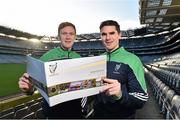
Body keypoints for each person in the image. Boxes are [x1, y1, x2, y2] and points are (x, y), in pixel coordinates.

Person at [18, 22, 83, 118]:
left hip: (75, 111)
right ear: (58, 37)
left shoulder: (79, 58)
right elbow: (33, 86)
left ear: (75, 37)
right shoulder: (47, 57)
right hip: (53, 112)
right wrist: (28, 88)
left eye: (71, 34)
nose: (68, 37)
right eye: (64, 33)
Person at [92, 20, 149, 118]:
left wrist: (120, 95)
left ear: (119, 35)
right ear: (101, 37)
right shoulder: (97, 60)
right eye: (104, 34)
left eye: (112, 33)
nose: (108, 37)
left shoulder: (132, 60)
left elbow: (142, 97)